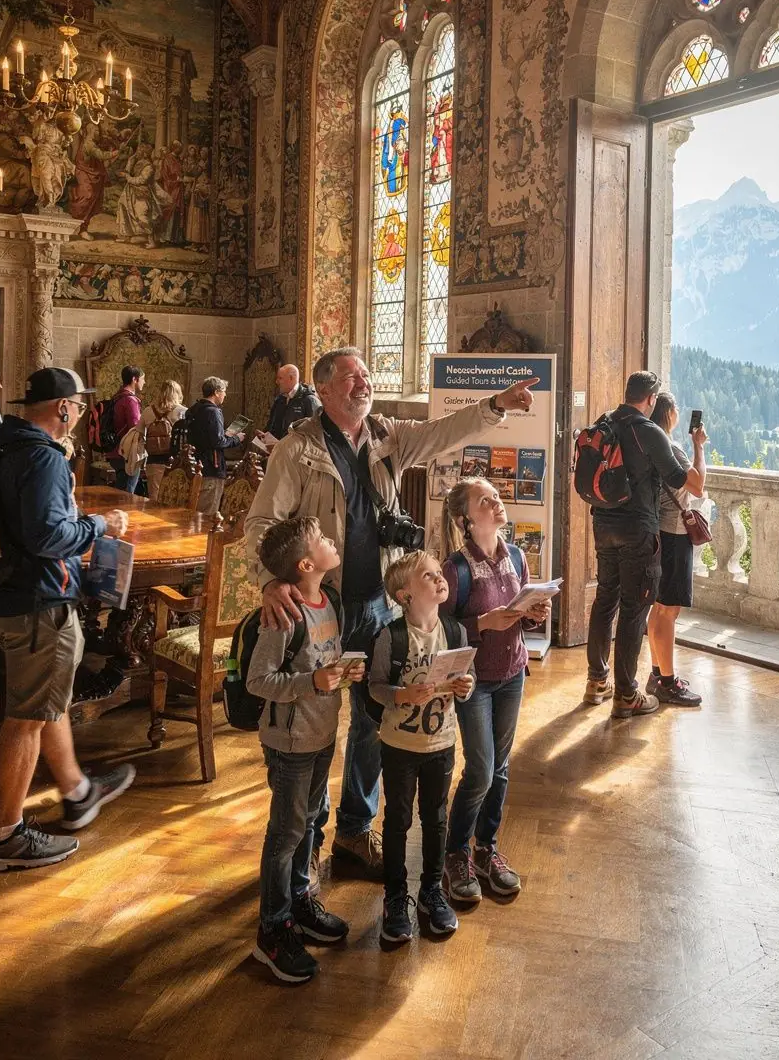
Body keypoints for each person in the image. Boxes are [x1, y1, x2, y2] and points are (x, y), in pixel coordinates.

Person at [245, 345, 536, 881]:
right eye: (352, 376)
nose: (364, 382)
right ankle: (306, 838)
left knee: (373, 719)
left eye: (365, 374)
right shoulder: (298, 449)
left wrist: (495, 404)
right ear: (326, 389)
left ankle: (356, 829)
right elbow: (262, 523)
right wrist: (269, 581)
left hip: (380, 602)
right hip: (323, 609)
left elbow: (441, 433)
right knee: (319, 719)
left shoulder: (386, 436)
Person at [0, 367, 135, 872]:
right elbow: (50, 537)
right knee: (26, 719)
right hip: (39, 602)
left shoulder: (1, 442)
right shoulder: (44, 457)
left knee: (43, 701)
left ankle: (77, 790)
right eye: (78, 404)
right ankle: (5, 835)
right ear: (63, 408)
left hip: (6, 592)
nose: (81, 413)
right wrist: (97, 524)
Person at [247, 516, 362, 984]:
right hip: (290, 742)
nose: (334, 541)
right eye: (324, 540)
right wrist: (310, 681)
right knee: (286, 833)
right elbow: (259, 680)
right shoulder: (283, 615)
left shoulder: (328, 600)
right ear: (307, 563)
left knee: (312, 820)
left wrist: (339, 673)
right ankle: (271, 930)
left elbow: (323, 659)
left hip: (321, 733)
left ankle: (299, 902)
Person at [439, 477, 551, 905]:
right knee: (481, 770)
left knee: (500, 768)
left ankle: (486, 849)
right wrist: (484, 623)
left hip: (513, 674)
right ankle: (456, 853)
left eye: (496, 497)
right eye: (486, 500)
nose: (497, 503)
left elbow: (522, 620)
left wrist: (533, 614)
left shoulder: (517, 556)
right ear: (467, 520)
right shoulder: (455, 569)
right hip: (476, 681)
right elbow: (441, 630)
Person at [584, 371, 707, 718]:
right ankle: (627, 693)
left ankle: (597, 681)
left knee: (605, 599)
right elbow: (687, 483)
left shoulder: (605, 421)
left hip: (602, 523)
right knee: (634, 608)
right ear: (651, 399)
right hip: (637, 528)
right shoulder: (648, 430)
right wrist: (697, 447)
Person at [369, 551, 474, 945]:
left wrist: (466, 688)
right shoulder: (391, 638)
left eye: (438, 574)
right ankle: (395, 896)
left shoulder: (455, 632)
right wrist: (401, 694)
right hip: (398, 745)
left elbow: (467, 678)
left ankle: (431, 890)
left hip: (441, 743)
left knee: (436, 818)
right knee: (397, 821)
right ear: (405, 594)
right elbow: (375, 686)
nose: (439, 579)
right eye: (428, 576)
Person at [646, 392, 707, 707]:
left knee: (658, 607)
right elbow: (697, 486)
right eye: (677, 408)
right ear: (668, 413)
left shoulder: (649, 443)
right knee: (670, 610)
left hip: (656, 533)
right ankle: (668, 683)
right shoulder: (672, 448)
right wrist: (698, 447)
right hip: (673, 535)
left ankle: (658, 673)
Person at [185, 376, 239, 515]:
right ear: (216, 392)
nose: (225, 395)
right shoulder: (213, 411)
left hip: (195, 464)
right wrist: (236, 439)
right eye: (224, 391)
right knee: (207, 513)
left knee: (195, 511)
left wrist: (224, 435)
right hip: (211, 467)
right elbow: (217, 442)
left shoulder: (194, 409)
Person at [139, 379, 187, 503]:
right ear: (178, 393)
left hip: (153, 460)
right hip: (176, 461)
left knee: (154, 499)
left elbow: (139, 434)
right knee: (175, 500)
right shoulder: (183, 411)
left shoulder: (148, 411)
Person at [107, 365, 145, 494]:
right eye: (143, 379)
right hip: (126, 452)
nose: (144, 382)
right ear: (135, 379)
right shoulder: (130, 400)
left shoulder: (116, 397)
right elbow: (136, 427)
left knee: (121, 491)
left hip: (114, 450)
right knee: (127, 495)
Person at [266, 364, 320, 442]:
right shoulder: (279, 400)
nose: (276, 382)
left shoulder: (309, 400)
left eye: (280, 378)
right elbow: (271, 426)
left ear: (291, 378)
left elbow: (316, 435)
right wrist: (265, 436)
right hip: (277, 451)